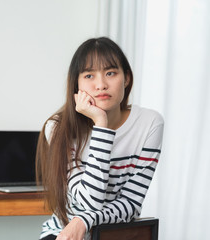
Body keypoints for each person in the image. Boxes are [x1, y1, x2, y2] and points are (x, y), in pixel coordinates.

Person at [36, 37, 164, 240]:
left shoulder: (149, 123)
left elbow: (131, 204)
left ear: (127, 78)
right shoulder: (58, 128)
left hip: (117, 234)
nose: (101, 85)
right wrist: (101, 124)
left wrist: (84, 220)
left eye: (111, 73)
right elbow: (90, 202)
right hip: (64, 234)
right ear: (76, 84)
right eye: (89, 75)